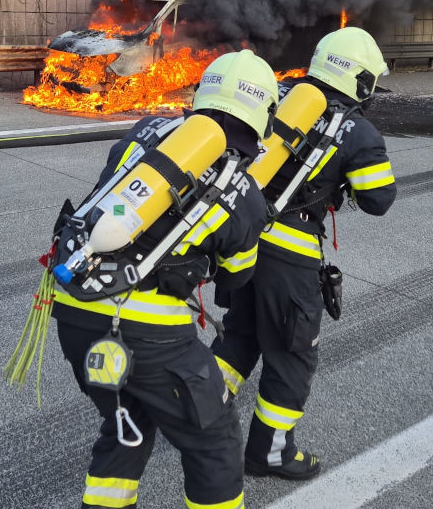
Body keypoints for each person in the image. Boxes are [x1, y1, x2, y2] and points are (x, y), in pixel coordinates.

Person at [53, 49, 277, 509]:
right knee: (213, 441)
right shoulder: (243, 188)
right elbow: (236, 278)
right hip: (150, 334)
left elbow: (109, 201)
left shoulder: (147, 132)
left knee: (126, 426)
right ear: (262, 112)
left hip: (73, 306)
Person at [211, 27, 398, 481]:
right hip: (290, 260)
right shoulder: (357, 129)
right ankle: (269, 453)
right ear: (359, 80)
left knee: (241, 337)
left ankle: (195, 410)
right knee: (292, 354)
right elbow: (379, 199)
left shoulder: (280, 94)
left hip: (243, 242)